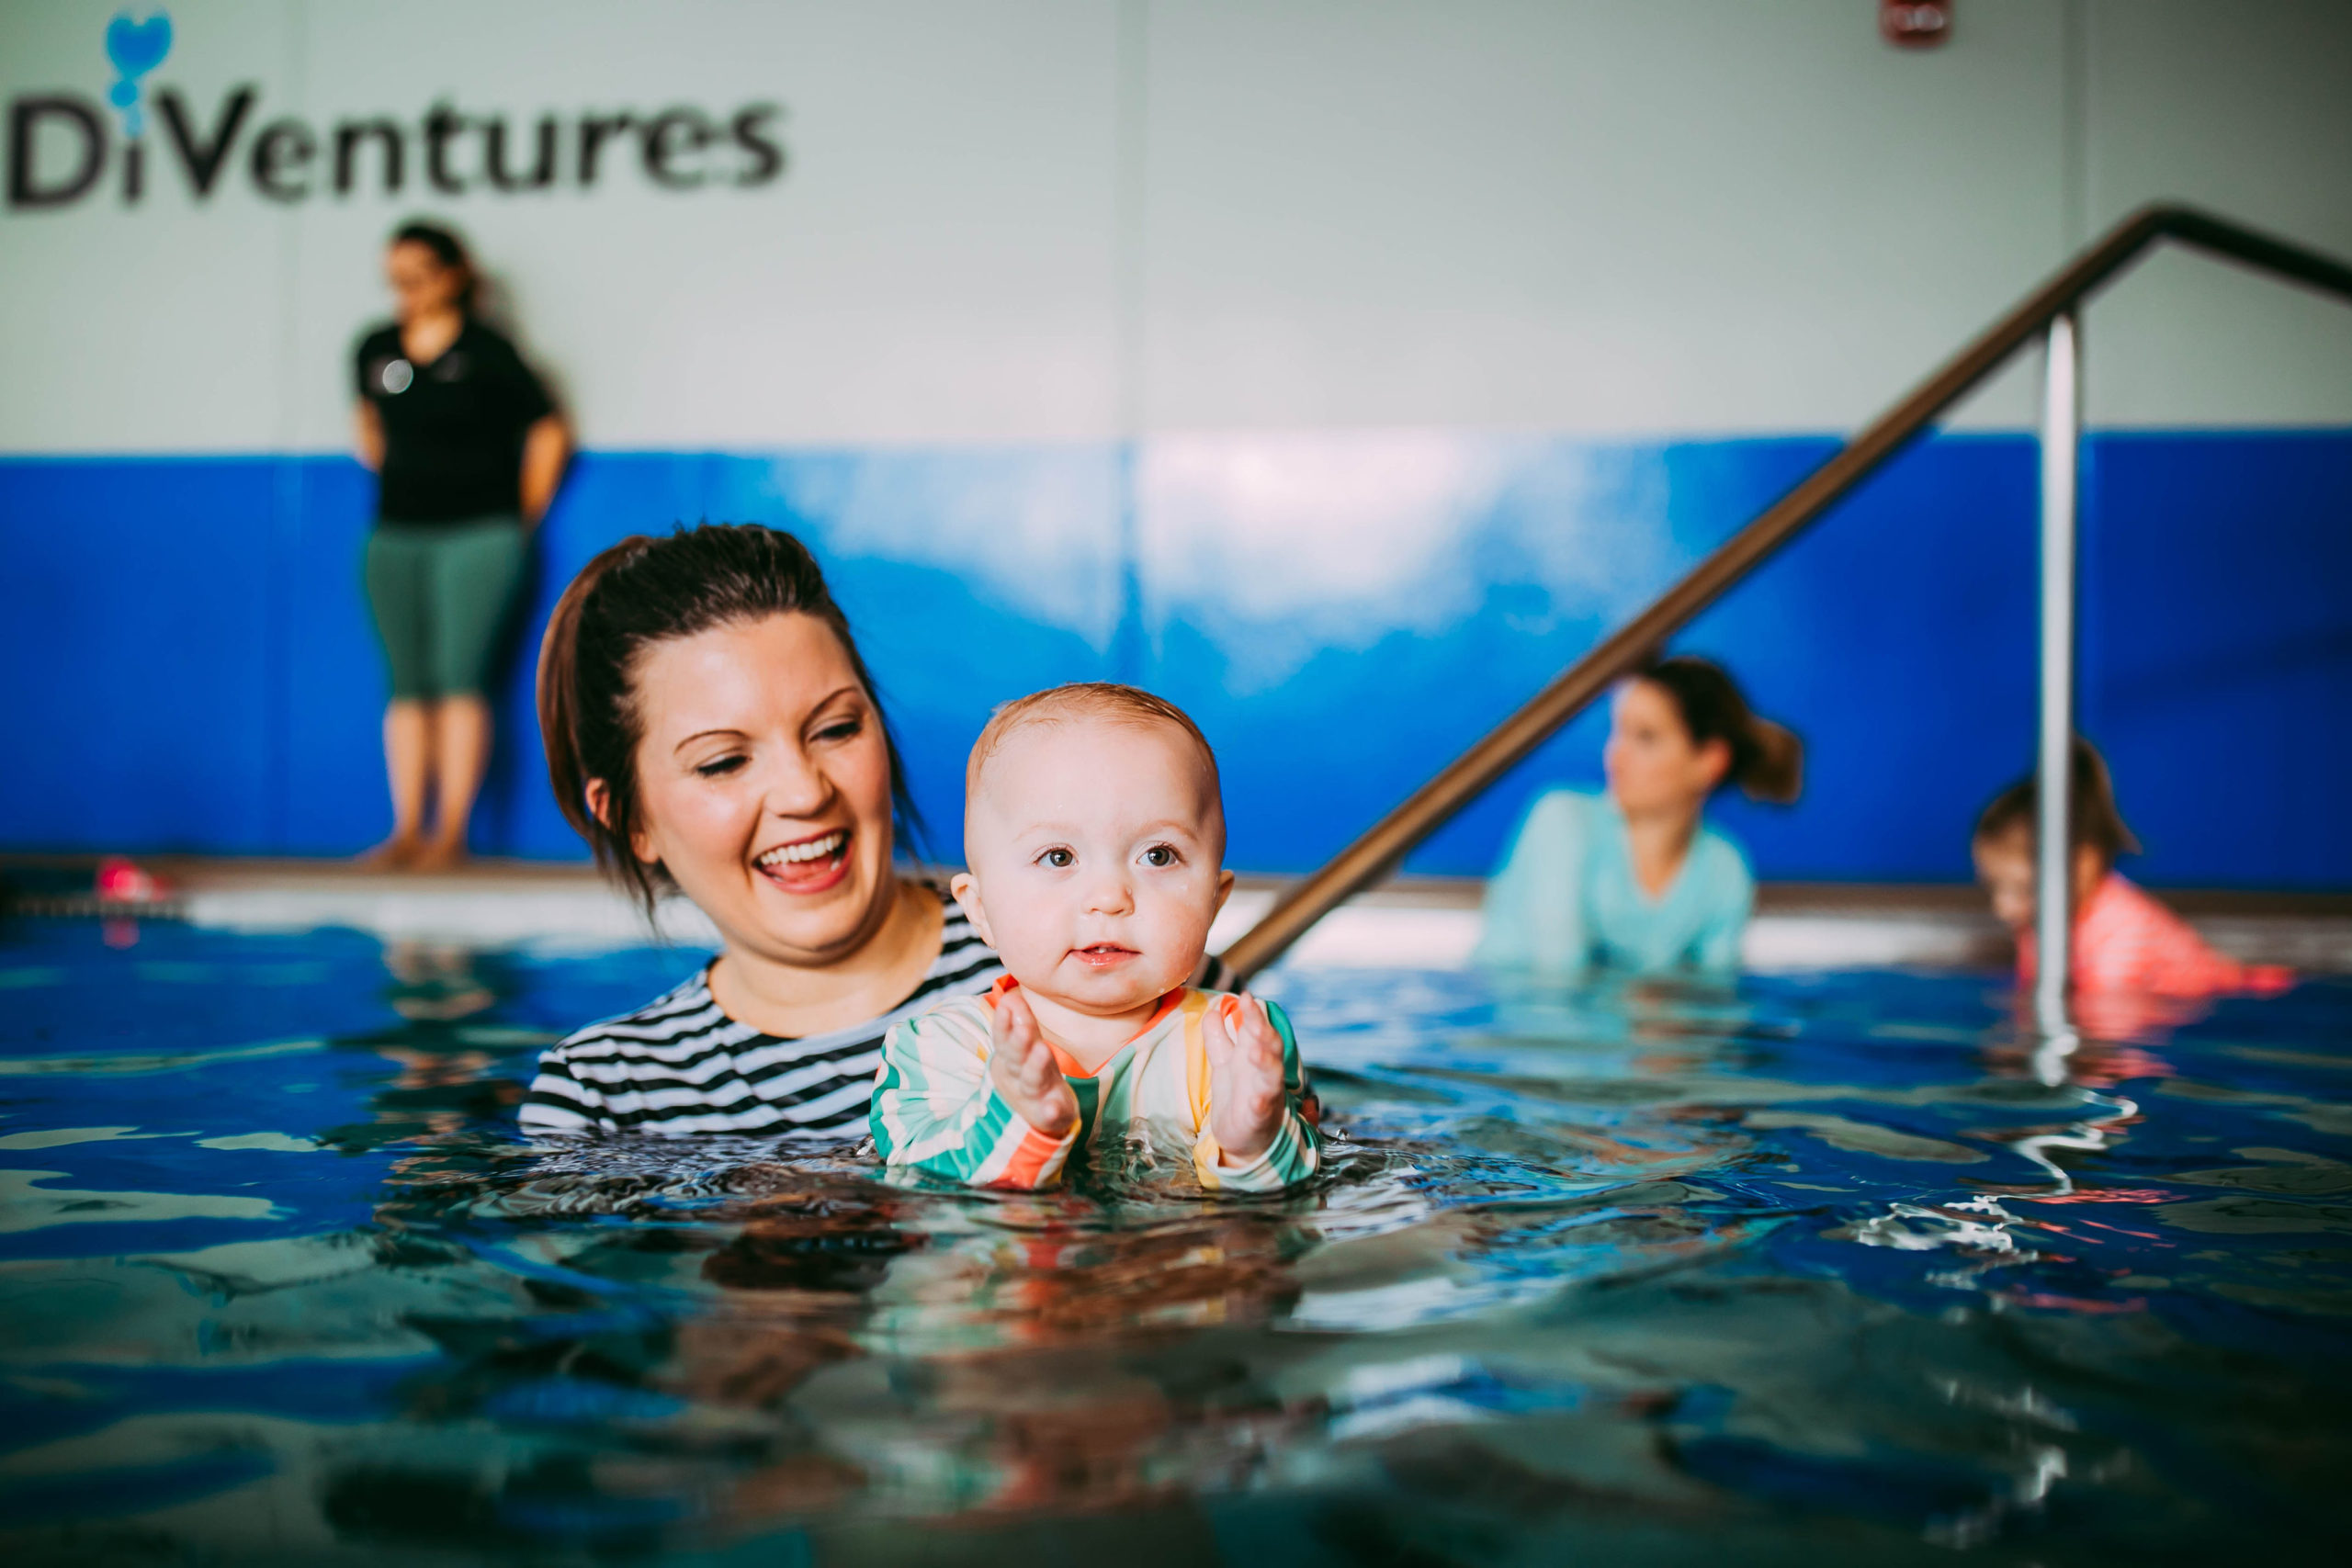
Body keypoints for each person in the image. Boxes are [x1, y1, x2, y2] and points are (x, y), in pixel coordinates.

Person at [518, 525, 1004, 1138]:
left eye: (835, 729)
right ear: (630, 818)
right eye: (723, 762)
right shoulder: (606, 1100)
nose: (806, 791)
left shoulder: (1070, 954)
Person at [871, 683, 1320, 1193]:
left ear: (1214, 902)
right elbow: (921, 1182)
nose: (1109, 897)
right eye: (1058, 857)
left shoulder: (1240, 1040)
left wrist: (1254, 1142)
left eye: (1158, 855)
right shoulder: (938, 1048)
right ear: (981, 911)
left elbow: (1277, 1216)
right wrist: (1015, 1113)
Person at [355, 220, 571, 870]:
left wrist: (518, 515)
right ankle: (405, 830)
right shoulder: (374, 348)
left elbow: (548, 429)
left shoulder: (488, 352)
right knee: (406, 684)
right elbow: (366, 422)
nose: (407, 290)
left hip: (479, 534)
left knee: (459, 679)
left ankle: (449, 833)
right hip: (396, 535)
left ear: (454, 275)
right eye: (396, 278)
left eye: (419, 276)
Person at [1476, 655, 1802, 975]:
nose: (1615, 755)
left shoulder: (1725, 868)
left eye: (1645, 737)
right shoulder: (1561, 819)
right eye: (1617, 731)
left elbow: (1718, 997)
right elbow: (1558, 979)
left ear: (1710, 761)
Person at [1971, 739, 2292, 998]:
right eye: (1993, 887)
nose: (2002, 908)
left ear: (2084, 864)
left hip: (2235, 992)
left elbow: (2110, 1025)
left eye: (2023, 889)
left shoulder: (2122, 925)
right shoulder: (2038, 922)